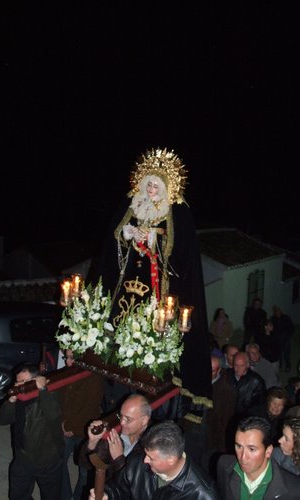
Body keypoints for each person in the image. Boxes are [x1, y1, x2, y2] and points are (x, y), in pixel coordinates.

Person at [95, 147, 212, 421]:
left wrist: (153, 240)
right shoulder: (131, 205)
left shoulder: (179, 212)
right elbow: (113, 241)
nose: (150, 189)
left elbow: (183, 254)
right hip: (128, 282)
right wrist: (126, 234)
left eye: (155, 185)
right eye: (147, 183)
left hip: (159, 289)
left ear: (166, 188)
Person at [89, 420, 220, 500]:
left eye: (151, 458)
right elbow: (119, 487)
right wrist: (107, 494)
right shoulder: (138, 462)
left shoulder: (203, 495)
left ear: (171, 459)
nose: (145, 460)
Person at [0, 363, 64, 500]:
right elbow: (0, 420)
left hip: (47, 459)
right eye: (17, 382)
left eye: (24, 382)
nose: (19, 386)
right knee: (17, 495)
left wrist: (43, 390)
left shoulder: (49, 393)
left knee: (51, 496)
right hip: (23, 457)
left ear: (36, 380)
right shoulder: (19, 398)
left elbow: (53, 415)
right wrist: (11, 400)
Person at [217, 416, 300, 499]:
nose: (243, 457)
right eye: (239, 446)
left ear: (268, 451)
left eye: (252, 449)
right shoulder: (224, 465)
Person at [60, 349, 105, 500]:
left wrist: (72, 427)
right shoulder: (69, 372)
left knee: (85, 470)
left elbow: (91, 407)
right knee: (58, 462)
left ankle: (78, 497)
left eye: (72, 358)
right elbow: (62, 401)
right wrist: (63, 423)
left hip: (84, 431)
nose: (68, 361)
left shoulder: (93, 376)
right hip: (66, 427)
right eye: (66, 357)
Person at [80, 394, 151, 477]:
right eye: (121, 416)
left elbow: (136, 483)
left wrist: (118, 458)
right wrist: (92, 442)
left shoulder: (152, 443)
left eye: (128, 419)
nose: (122, 422)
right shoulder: (115, 436)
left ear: (144, 420)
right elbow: (85, 465)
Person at [201, 355, 236, 476]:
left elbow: (225, 421)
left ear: (219, 370)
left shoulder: (225, 391)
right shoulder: (197, 381)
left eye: (212, 370)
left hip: (211, 437)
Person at [228, 351, 266, 417]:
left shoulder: (257, 381)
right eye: (236, 365)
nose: (238, 369)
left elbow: (260, 405)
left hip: (245, 419)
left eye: (241, 365)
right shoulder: (227, 375)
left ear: (247, 365)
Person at [270, 305, 294, 373]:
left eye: (278, 310)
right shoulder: (272, 319)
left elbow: (291, 327)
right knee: (278, 353)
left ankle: (288, 366)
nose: (277, 312)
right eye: (275, 310)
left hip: (285, 338)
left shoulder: (286, 318)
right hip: (277, 339)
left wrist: (288, 335)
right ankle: (280, 364)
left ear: (280, 310)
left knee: (287, 353)